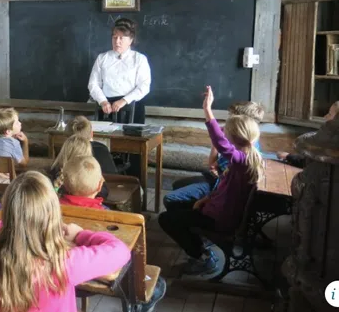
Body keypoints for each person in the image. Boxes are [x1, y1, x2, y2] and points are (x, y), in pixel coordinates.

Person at [0, 171, 130, 312]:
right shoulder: (63, 263)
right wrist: (80, 234)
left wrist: (18, 222)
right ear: (53, 215)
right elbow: (121, 250)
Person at [159, 86, 263, 274]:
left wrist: (207, 109)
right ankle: (196, 244)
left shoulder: (242, 161)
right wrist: (206, 200)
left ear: (233, 139)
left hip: (220, 219)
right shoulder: (247, 156)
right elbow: (223, 189)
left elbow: (219, 141)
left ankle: (203, 258)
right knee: (175, 205)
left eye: (227, 134)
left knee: (165, 219)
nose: (223, 135)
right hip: (217, 208)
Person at [164, 101, 264, 211]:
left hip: (218, 186)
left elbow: (217, 154)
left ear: (242, 124)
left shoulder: (242, 153)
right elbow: (214, 165)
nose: (228, 120)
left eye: (231, 117)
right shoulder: (245, 142)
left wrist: (207, 109)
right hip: (217, 182)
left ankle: (193, 215)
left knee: (170, 199)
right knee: (178, 184)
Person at [87, 18, 151, 177]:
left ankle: (134, 185)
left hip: (132, 106)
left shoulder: (139, 59)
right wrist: (102, 101)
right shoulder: (103, 58)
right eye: (114, 37)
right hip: (106, 107)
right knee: (104, 147)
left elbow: (144, 86)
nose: (117, 41)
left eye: (122, 37)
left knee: (132, 148)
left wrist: (124, 101)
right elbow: (93, 84)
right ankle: (103, 180)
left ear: (131, 40)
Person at [276, 100, 339, 168]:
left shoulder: (328, 139)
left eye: (329, 114)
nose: (325, 116)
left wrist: (289, 157)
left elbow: (300, 143)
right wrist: (288, 156)